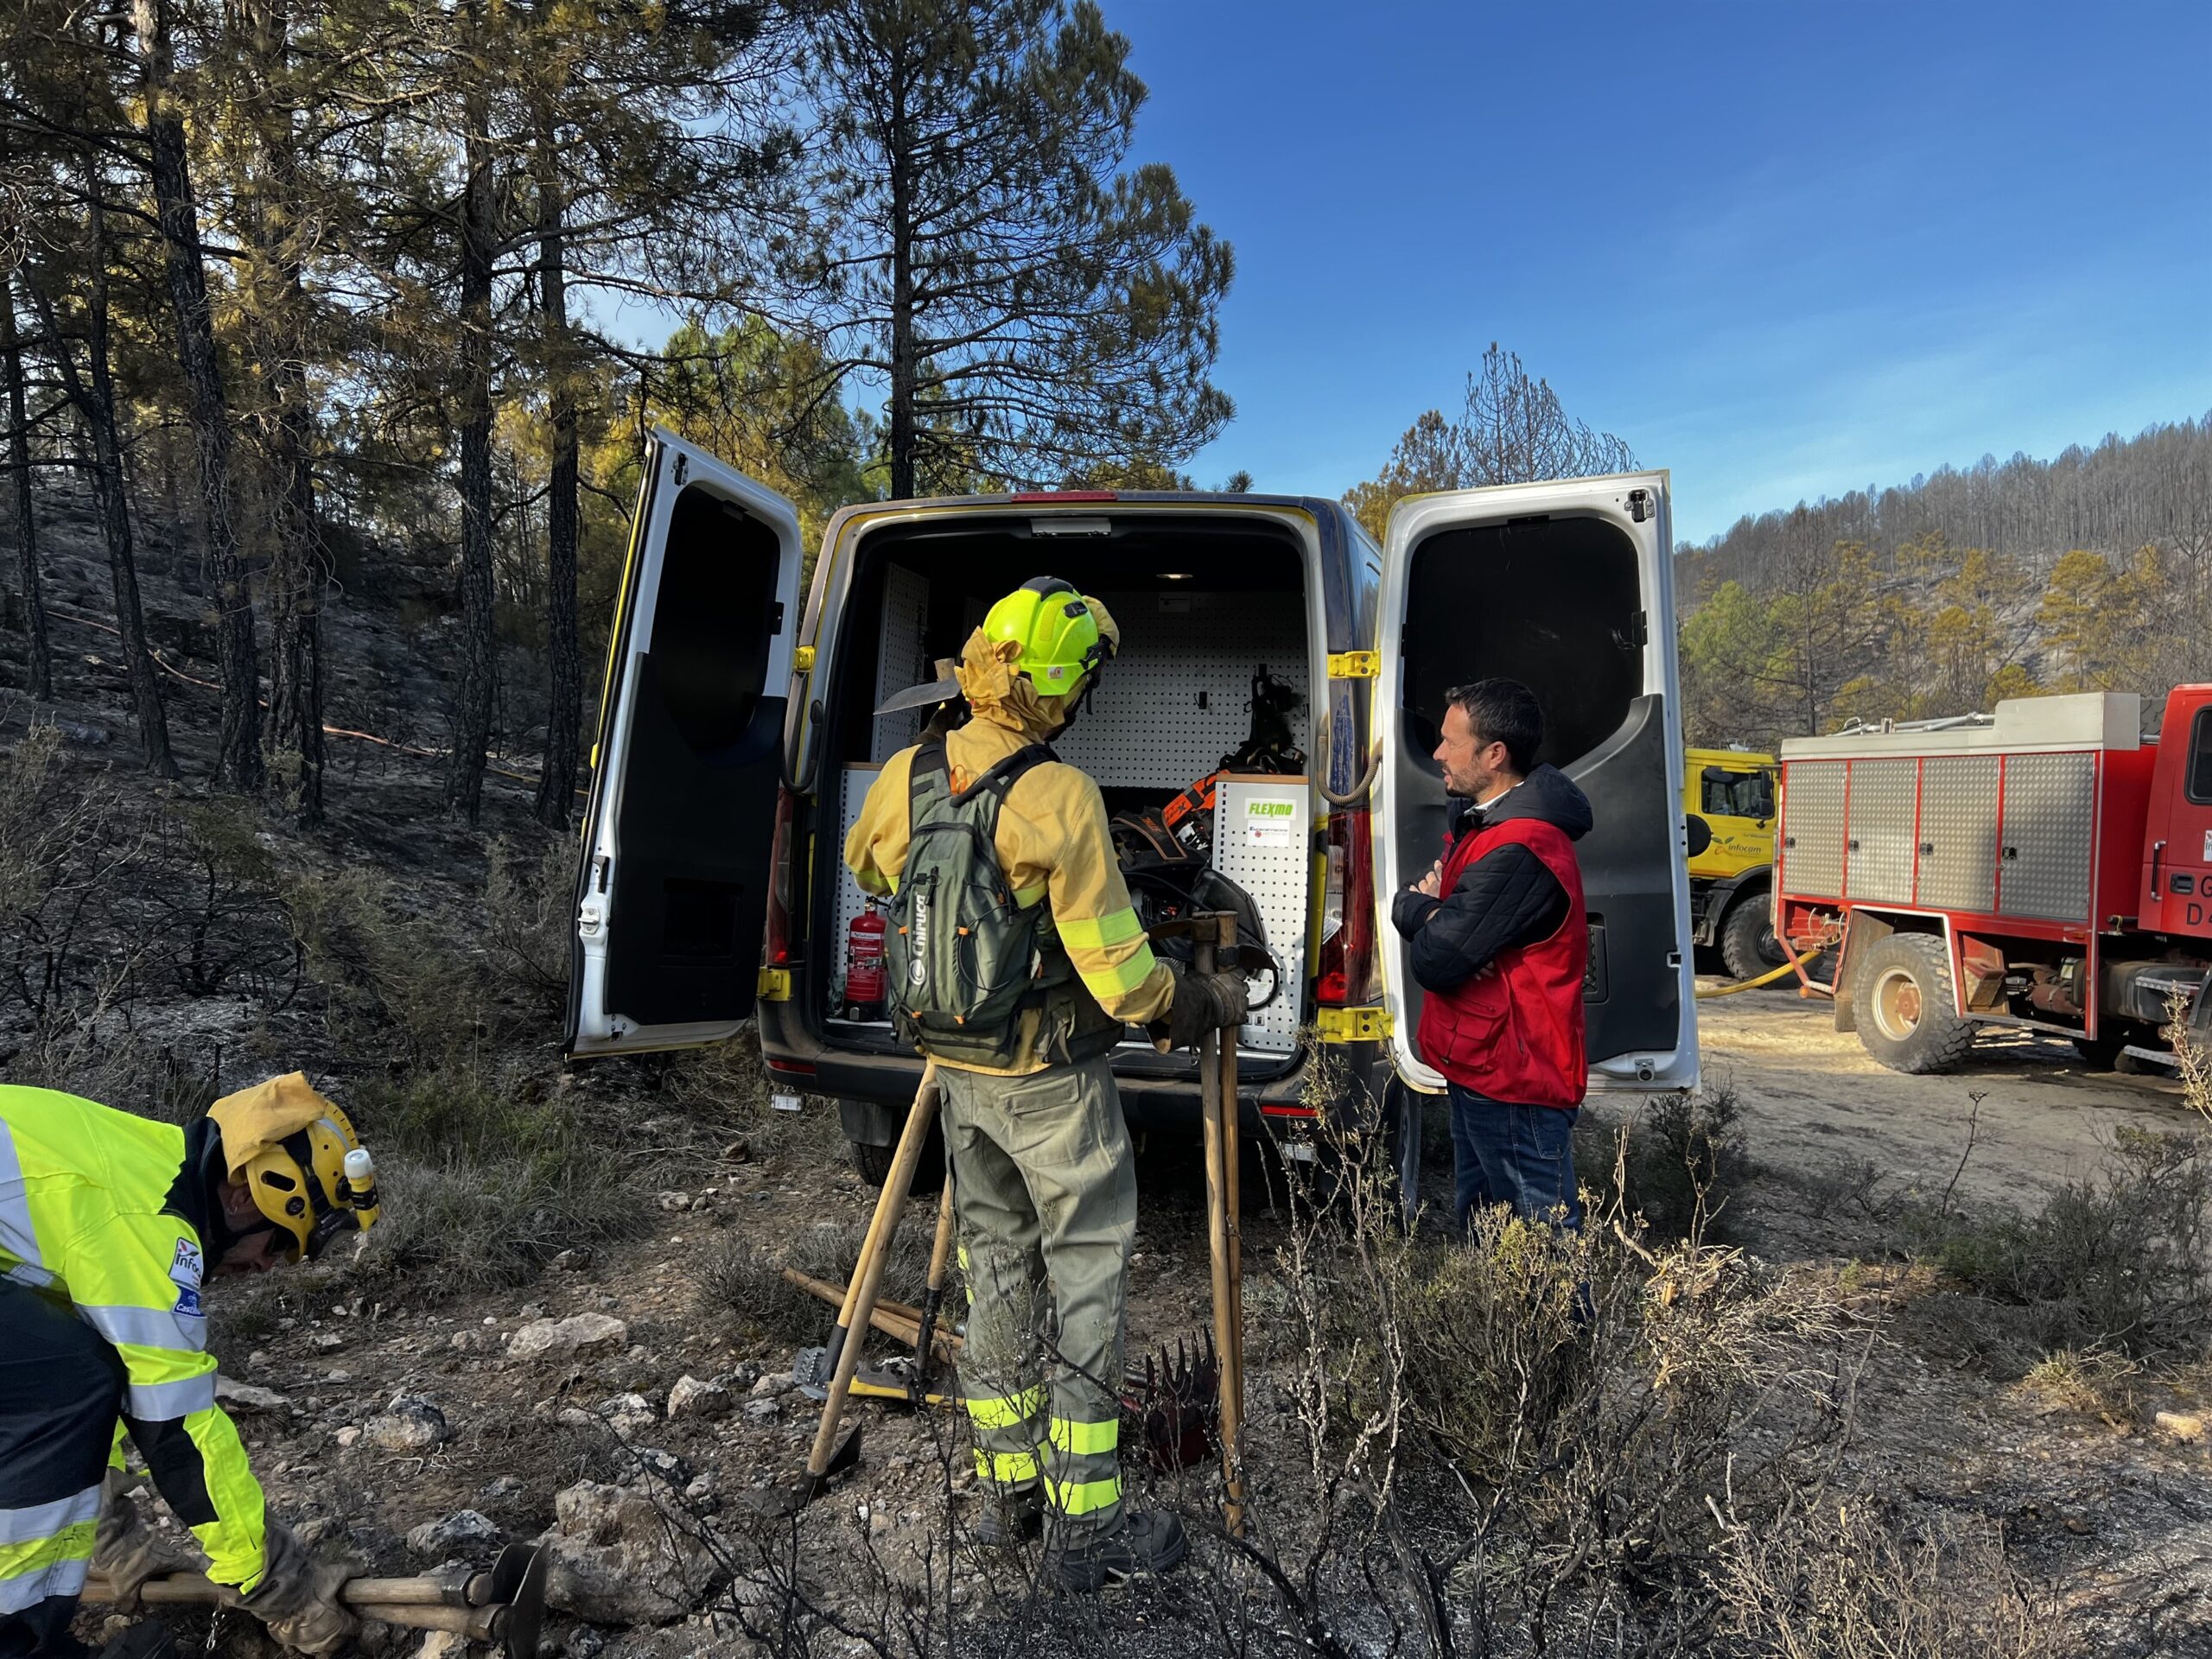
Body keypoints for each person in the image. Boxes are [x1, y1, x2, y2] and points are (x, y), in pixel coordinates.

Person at [845, 577, 1246, 1593]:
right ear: (1068, 689)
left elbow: (869, 872)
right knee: (1086, 1286)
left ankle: (1005, 1496)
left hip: (956, 1074)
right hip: (1052, 1083)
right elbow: (1120, 979)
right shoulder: (1058, 795)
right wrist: (1189, 1005)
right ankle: (1088, 1525)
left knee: (996, 1274)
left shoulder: (903, 773)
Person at [1, 1074, 382, 1659]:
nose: (269, 1267)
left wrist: (109, 1535)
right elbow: (175, 1428)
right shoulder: (145, 1221)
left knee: (69, 1372)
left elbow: (76, 1374)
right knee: (68, 1386)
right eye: (279, 1242)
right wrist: (280, 1586)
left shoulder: (148, 1168)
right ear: (240, 1194)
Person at [1391, 679, 1592, 1230]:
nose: (1437, 754)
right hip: (1485, 1067)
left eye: (1450, 742)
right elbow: (1442, 929)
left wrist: (1424, 912)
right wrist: (1431, 913)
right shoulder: (1485, 828)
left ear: (1494, 754)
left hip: (1515, 1082)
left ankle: (1560, 1325)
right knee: (1486, 1234)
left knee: (1542, 1253)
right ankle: (1492, 1323)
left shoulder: (1520, 846)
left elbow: (1438, 957)